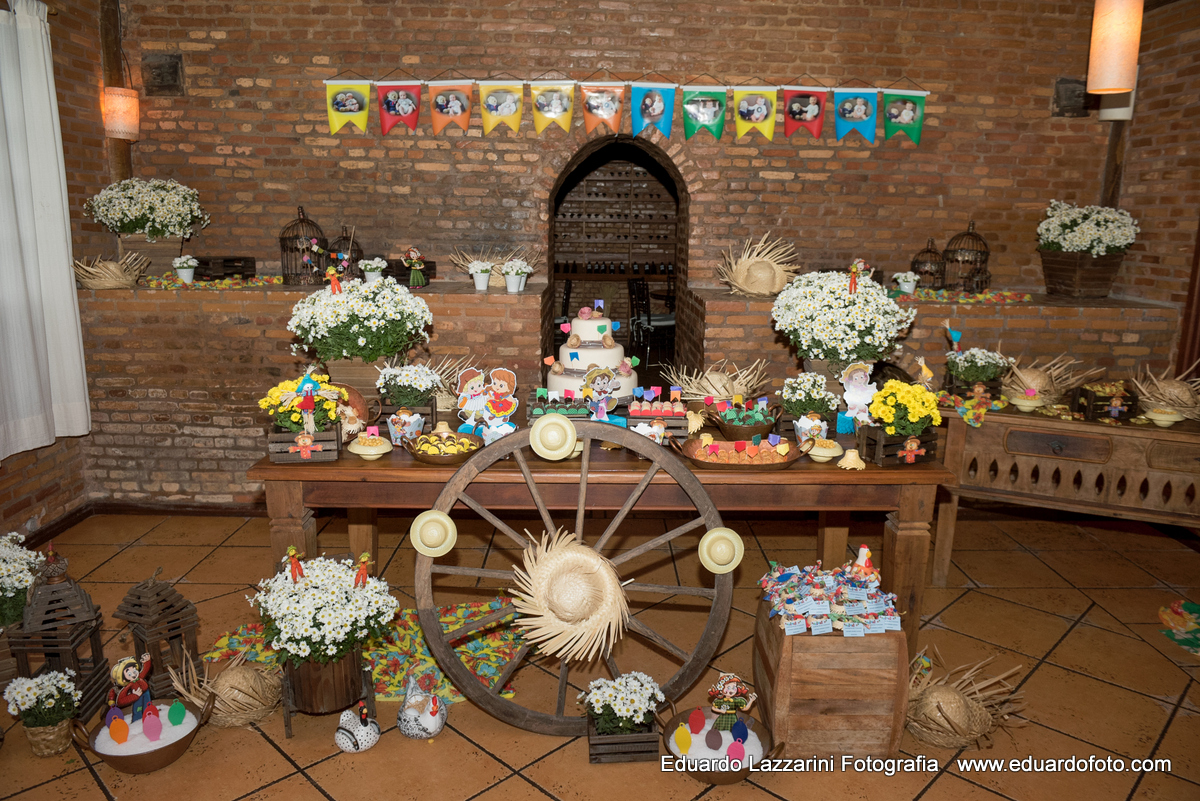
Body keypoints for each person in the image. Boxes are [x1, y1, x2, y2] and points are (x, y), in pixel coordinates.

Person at [107, 654, 153, 720]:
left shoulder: (139, 677)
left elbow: (145, 670)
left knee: (148, 707)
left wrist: (147, 661)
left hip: (146, 693)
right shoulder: (128, 686)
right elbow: (120, 701)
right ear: (123, 679)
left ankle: (150, 718)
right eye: (129, 673)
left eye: (134, 670)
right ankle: (137, 722)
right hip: (137, 698)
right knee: (138, 711)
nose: (134, 674)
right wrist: (134, 696)